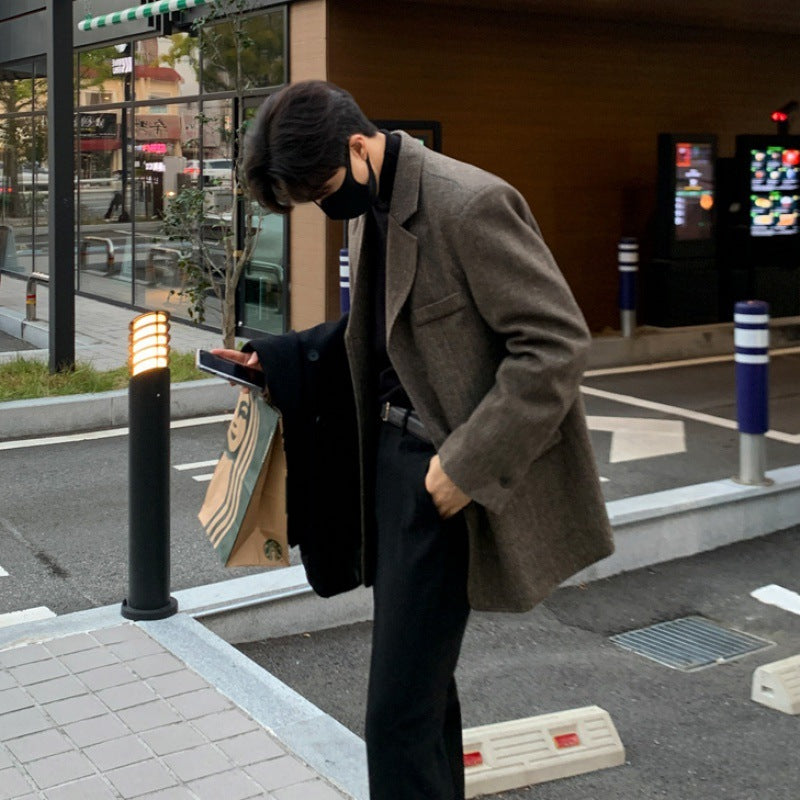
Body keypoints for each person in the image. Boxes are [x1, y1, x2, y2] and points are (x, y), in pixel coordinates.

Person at [216, 80, 614, 800]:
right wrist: (276, 362)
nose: (322, 206)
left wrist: (463, 467)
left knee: (396, 714)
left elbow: (555, 345)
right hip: (392, 472)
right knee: (422, 698)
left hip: (448, 478)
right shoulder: (372, 203)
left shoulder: (471, 204)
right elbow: (374, 337)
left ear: (358, 144)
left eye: (323, 187)